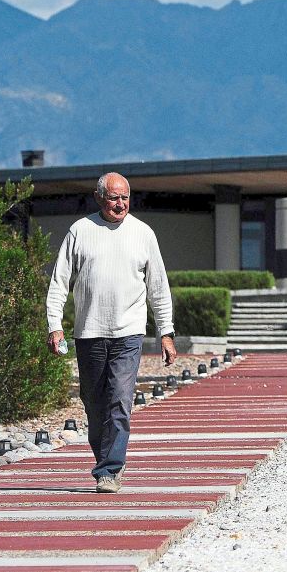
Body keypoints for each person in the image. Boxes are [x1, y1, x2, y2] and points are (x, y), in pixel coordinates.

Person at [46, 172, 177, 493]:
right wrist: (55, 325)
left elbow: (158, 287)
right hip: (89, 333)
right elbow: (59, 282)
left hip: (129, 333)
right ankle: (105, 460)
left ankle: (109, 469)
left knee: (120, 400)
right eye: (113, 198)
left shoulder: (143, 234)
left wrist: (166, 332)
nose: (120, 204)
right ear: (98, 197)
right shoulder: (80, 230)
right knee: (94, 403)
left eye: (125, 197)